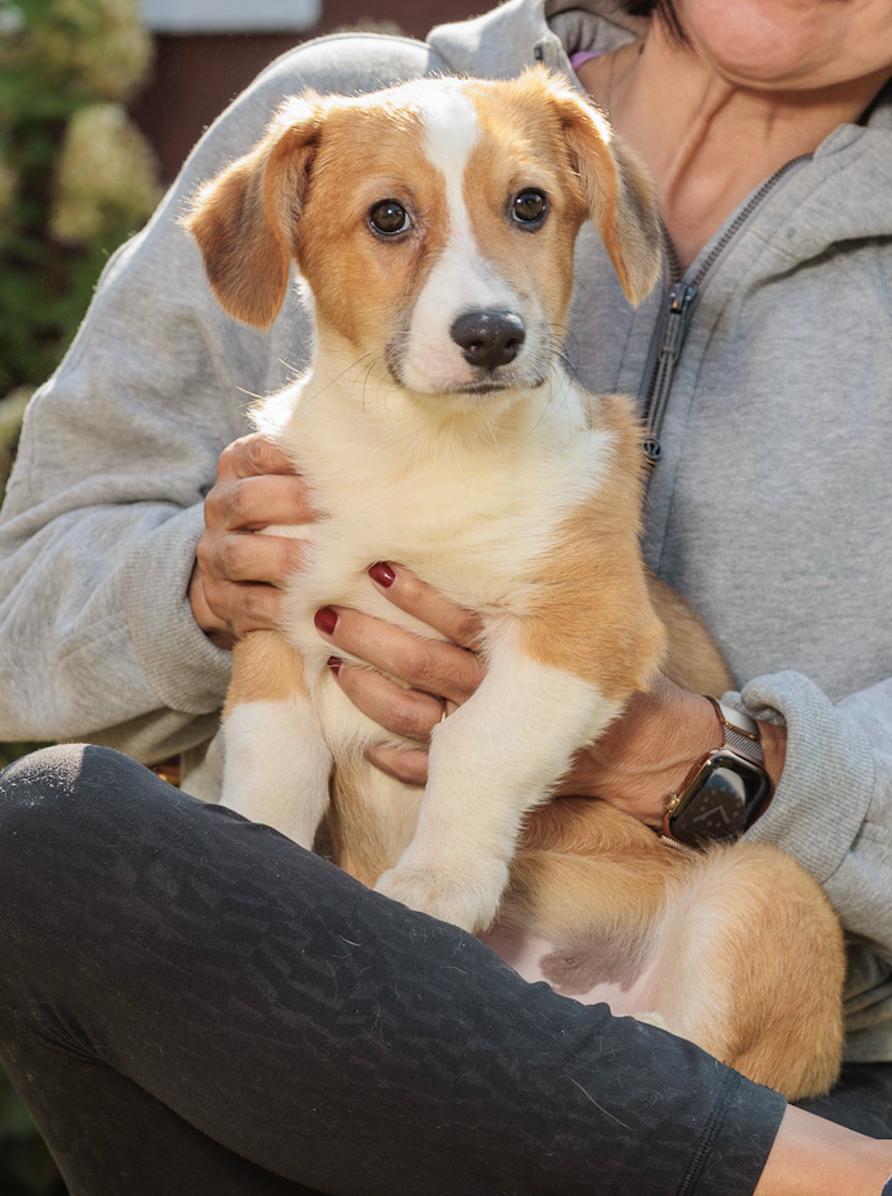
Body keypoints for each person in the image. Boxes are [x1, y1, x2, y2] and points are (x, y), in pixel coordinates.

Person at [0, 0, 891, 1191]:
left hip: (720, 1036)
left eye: (527, 209)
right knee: (49, 827)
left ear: (577, 209)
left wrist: (727, 761)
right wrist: (207, 592)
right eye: (391, 223)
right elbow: (22, 617)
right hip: (350, 989)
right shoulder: (327, 119)